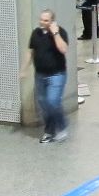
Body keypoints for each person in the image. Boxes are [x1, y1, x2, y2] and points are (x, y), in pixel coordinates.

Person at [29, 9, 70, 143]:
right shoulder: (36, 33)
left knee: (53, 101)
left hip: (57, 74)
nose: (42, 22)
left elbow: (63, 49)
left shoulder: (61, 32)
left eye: (46, 20)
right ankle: (49, 130)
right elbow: (30, 52)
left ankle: (62, 125)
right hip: (40, 74)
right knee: (43, 103)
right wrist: (24, 68)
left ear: (52, 21)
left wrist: (55, 33)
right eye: (41, 19)